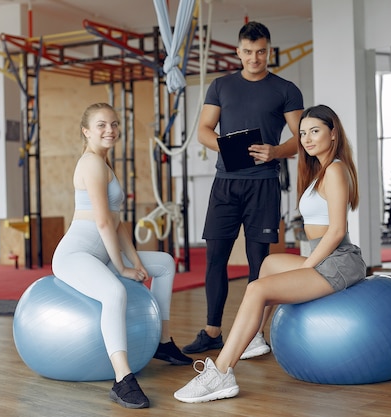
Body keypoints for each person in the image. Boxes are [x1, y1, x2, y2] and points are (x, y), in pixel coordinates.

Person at [174, 104, 367, 403]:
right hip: (326, 257)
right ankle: (253, 339)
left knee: (256, 289)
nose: (306, 139)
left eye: (315, 131)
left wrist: (308, 268)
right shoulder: (320, 170)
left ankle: (221, 373)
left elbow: (337, 231)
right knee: (268, 263)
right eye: (302, 133)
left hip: (339, 261)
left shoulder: (337, 170)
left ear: (333, 133)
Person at [51, 103, 192, 410]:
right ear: (86, 131)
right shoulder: (91, 164)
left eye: (114, 124)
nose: (110, 130)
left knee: (165, 264)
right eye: (101, 125)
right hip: (75, 255)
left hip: (102, 253)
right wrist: (122, 268)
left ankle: (164, 343)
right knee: (115, 293)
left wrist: (136, 262)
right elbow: (102, 222)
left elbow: (118, 223)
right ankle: (122, 379)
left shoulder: (105, 164)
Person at [182, 21, 304, 359]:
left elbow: (302, 139)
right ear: (238, 52)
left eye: (261, 52)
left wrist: (276, 151)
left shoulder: (286, 89)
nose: (254, 58)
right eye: (248, 52)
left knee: (258, 263)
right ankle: (212, 332)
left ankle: (254, 335)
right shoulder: (221, 86)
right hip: (225, 183)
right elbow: (204, 130)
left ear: (269, 51)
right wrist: (227, 147)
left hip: (264, 185)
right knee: (215, 259)